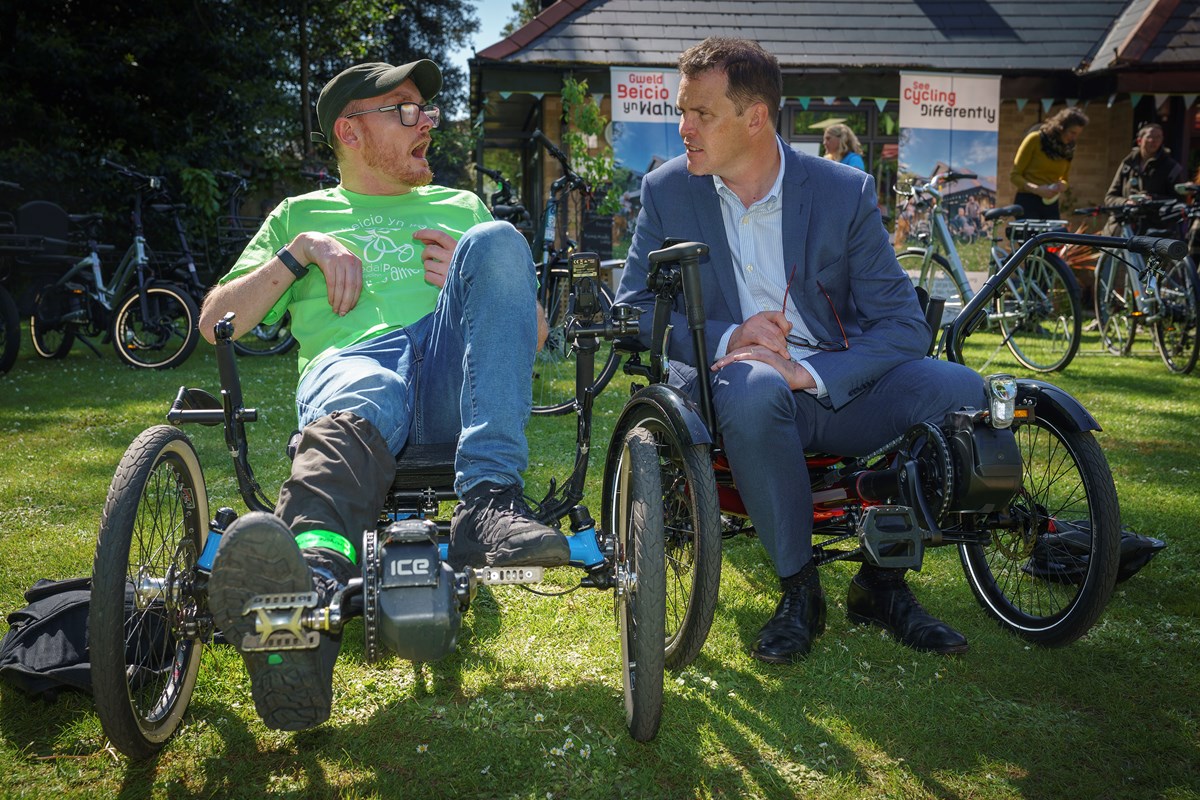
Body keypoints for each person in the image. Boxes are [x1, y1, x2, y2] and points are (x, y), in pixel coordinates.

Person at [197, 60, 569, 731]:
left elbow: (533, 335)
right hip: (357, 370)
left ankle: (488, 507)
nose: (426, 121)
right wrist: (300, 253)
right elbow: (216, 320)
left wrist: (470, 265)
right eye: (404, 110)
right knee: (363, 384)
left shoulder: (462, 208)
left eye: (426, 109)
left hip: (453, 382)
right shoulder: (299, 216)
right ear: (351, 130)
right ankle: (305, 593)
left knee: (498, 238)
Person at [616, 38, 986, 665]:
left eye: (700, 113)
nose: (683, 128)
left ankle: (881, 585)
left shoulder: (843, 192)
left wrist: (806, 371)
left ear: (754, 117)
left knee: (961, 389)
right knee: (758, 389)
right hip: (732, 385)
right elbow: (633, 309)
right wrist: (732, 335)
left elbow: (901, 326)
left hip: (834, 386)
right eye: (682, 111)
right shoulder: (667, 191)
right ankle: (799, 591)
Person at [1103, 122, 1186, 234]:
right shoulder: (1127, 164)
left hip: (1155, 233)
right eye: (1150, 136)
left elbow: (1179, 202)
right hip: (1121, 230)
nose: (1154, 141)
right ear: (1139, 140)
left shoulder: (1171, 167)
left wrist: (1152, 200)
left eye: (1158, 137)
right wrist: (1126, 202)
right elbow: (1110, 198)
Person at [1010, 107, 1089, 221]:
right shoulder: (1035, 139)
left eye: (1077, 134)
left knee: (1055, 237)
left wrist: (1063, 185)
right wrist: (1037, 189)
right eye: (1072, 133)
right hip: (1027, 201)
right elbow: (1014, 176)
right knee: (1033, 237)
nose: (1074, 137)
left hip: (1050, 203)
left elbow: (1064, 179)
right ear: (1061, 127)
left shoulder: (1068, 149)